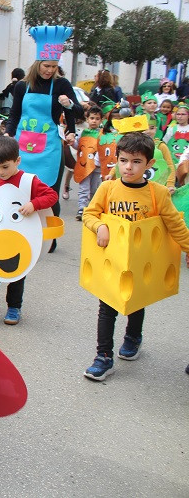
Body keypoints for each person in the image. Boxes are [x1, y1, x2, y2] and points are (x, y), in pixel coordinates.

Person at [82, 132, 189, 380]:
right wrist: (100, 227)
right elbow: (90, 214)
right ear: (117, 160)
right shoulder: (108, 188)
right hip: (112, 261)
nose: (128, 167)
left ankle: (132, 337)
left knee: (136, 303)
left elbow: (175, 225)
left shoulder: (158, 193)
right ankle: (103, 357)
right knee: (106, 308)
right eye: (124, 160)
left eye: (136, 161)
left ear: (149, 164)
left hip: (140, 263)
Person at [0, 137, 58, 327]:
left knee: (17, 274)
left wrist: (33, 204)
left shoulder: (28, 181)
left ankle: (14, 307)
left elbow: (51, 195)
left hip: (19, 238)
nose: (1, 172)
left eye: (5, 167)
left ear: (17, 161)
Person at [5, 26, 77, 226]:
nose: (50, 70)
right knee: (21, 190)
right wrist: (8, 133)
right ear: (37, 63)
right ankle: (22, 229)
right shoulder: (21, 86)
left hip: (50, 149)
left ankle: (51, 235)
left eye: (54, 66)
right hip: (23, 147)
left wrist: (69, 106)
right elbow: (15, 114)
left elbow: (77, 111)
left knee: (49, 193)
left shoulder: (62, 85)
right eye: (46, 66)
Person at [73, 106, 104, 221]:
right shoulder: (83, 133)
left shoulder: (102, 134)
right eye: (92, 118)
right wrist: (72, 143)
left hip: (96, 167)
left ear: (101, 120)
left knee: (94, 188)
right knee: (83, 188)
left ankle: (92, 207)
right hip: (84, 166)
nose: (94, 121)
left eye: (97, 118)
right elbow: (79, 146)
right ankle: (82, 208)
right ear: (87, 119)